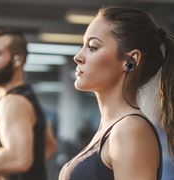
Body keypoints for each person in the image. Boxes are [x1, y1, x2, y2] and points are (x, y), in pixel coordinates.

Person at [59, 6, 174, 180]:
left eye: (92, 47)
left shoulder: (129, 129)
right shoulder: (111, 129)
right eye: (82, 46)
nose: (78, 56)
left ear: (130, 60)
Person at [0, 28, 57, 180]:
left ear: (17, 60)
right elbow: (49, 146)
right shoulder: (27, 96)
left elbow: (19, 158)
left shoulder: (12, 102)